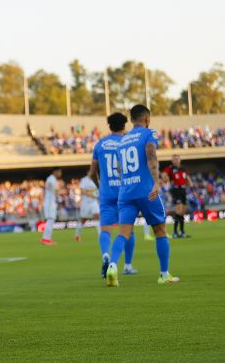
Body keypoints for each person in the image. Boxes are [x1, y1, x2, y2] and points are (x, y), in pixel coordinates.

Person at [105, 105, 179, 287]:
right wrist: (156, 181)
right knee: (160, 230)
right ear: (147, 119)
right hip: (146, 191)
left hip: (125, 192)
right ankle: (164, 274)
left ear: (131, 120)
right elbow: (151, 154)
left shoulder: (122, 141)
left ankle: (112, 266)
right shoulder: (148, 133)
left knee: (123, 232)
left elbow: (119, 169)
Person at [89, 113, 137, 279]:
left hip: (106, 192)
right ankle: (128, 266)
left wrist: (100, 185)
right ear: (124, 126)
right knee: (127, 230)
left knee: (105, 229)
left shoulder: (100, 144)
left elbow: (92, 173)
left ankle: (105, 255)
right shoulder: (127, 142)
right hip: (125, 192)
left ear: (109, 126)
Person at [162, 154, 192, 238]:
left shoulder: (183, 169)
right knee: (178, 210)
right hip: (175, 190)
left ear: (179, 160)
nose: (175, 161)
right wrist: (165, 177)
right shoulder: (170, 168)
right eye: (174, 159)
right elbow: (164, 174)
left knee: (182, 212)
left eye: (177, 159)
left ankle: (182, 232)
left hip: (183, 190)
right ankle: (175, 232)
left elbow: (188, 179)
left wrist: (191, 187)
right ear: (172, 161)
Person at [75, 170, 99, 242]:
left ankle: (101, 235)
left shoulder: (97, 180)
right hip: (86, 203)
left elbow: (98, 189)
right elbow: (82, 190)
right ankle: (77, 234)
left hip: (94, 202)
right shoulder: (84, 180)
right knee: (83, 219)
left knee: (97, 216)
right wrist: (91, 195)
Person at [41, 168, 62, 245]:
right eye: (59, 172)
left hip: (51, 202)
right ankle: (46, 239)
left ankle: (46, 238)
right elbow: (49, 187)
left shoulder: (53, 179)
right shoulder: (50, 178)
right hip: (49, 203)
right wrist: (56, 190)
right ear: (55, 172)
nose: (60, 174)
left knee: (51, 220)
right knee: (50, 220)